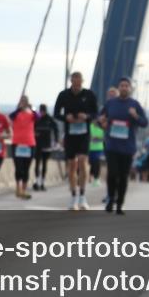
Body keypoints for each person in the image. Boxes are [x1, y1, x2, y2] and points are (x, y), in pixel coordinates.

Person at [99, 77, 148, 214]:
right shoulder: (110, 103)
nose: (124, 88)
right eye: (122, 85)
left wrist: (135, 116)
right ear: (119, 88)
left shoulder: (135, 104)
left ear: (130, 88)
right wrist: (101, 121)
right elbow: (100, 118)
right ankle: (110, 200)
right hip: (112, 145)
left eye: (127, 86)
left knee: (123, 176)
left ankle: (120, 203)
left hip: (127, 147)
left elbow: (144, 123)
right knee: (112, 174)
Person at [54, 71, 99, 210]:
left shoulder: (89, 95)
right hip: (70, 134)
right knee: (72, 165)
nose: (76, 83)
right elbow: (56, 113)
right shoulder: (63, 95)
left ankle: (82, 196)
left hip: (84, 134)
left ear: (82, 81)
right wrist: (65, 118)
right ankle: (73, 196)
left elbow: (96, 114)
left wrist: (86, 116)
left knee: (83, 163)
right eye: (74, 80)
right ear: (71, 81)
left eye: (78, 80)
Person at [9, 95, 37, 200]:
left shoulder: (31, 114)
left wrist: (32, 108)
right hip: (17, 144)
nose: (24, 103)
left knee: (26, 168)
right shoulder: (16, 114)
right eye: (22, 101)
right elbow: (11, 116)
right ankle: (18, 188)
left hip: (30, 144)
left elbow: (38, 116)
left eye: (25, 101)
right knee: (18, 168)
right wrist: (19, 108)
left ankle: (23, 190)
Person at [33, 103, 59, 191]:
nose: (42, 113)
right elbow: (32, 128)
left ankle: (42, 182)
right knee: (37, 163)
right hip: (37, 144)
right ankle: (37, 181)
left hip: (47, 145)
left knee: (44, 164)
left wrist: (56, 140)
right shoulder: (37, 119)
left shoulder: (50, 119)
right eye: (41, 111)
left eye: (43, 111)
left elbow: (56, 129)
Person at [88, 119, 105, 187]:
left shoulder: (102, 127)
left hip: (98, 148)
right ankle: (90, 176)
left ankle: (96, 179)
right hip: (89, 148)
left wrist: (97, 138)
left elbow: (104, 138)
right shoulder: (89, 126)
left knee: (96, 162)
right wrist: (90, 138)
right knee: (91, 163)